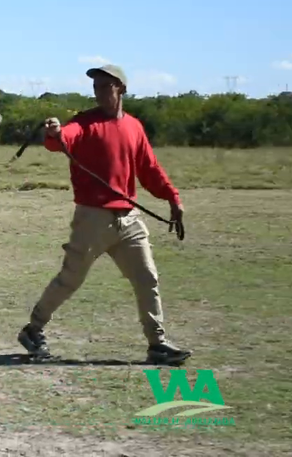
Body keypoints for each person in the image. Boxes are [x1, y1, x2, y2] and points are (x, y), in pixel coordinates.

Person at [17, 63, 192, 366]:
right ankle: (34, 329)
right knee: (70, 279)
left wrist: (172, 198)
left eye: (104, 86)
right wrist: (55, 133)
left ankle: (157, 344)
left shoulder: (134, 127)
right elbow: (62, 139)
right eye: (95, 86)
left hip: (129, 219)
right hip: (92, 218)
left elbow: (150, 170)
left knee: (147, 278)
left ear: (121, 89)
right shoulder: (85, 123)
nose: (98, 92)